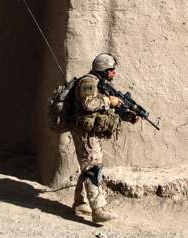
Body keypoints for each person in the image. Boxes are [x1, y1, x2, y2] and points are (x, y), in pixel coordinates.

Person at [71, 53, 140, 223]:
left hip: (92, 132)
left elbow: (107, 109)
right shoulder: (88, 82)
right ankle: (98, 210)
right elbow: (88, 103)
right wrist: (110, 101)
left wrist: (128, 116)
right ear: (102, 68)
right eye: (111, 70)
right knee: (93, 168)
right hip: (84, 133)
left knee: (89, 167)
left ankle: (80, 203)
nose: (114, 73)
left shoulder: (102, 84)